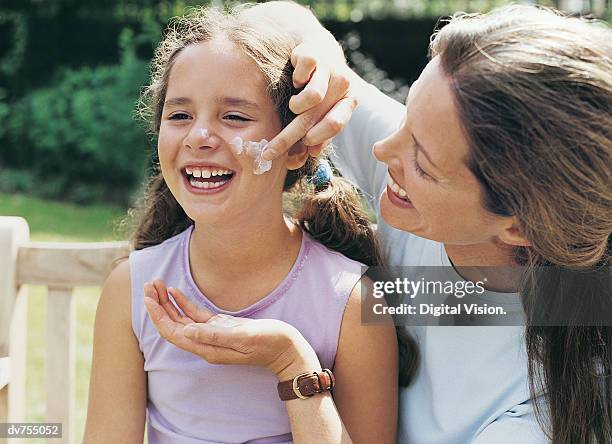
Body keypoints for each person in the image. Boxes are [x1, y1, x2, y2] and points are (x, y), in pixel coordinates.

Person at [154, 2, 612, 444]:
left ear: (517, 226)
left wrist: (294, 367)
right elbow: (264, 22)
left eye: (424, 164)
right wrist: (321, 50)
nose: (382, 151)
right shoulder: (431, 149)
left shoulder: (547, 414)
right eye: (406, 117)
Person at [83, 5, 398, 444]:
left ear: (295, 148)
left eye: (234, 117)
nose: (199, 136)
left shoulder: (352, 302)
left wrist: (293, 363)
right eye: (179, 115)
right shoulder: (131, 289)